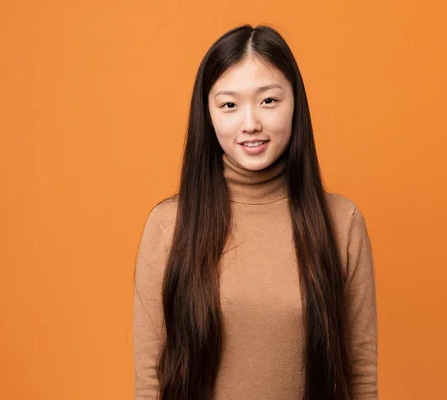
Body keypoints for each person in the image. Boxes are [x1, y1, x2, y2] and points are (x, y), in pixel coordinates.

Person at [133, 24, 378, 400]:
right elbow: (151, 381)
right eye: (229, 104)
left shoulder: (341, 223)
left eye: (268, 101)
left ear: (295, 103)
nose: (251, 124)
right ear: (208, 115)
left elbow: (360, 377)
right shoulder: (170, 225)